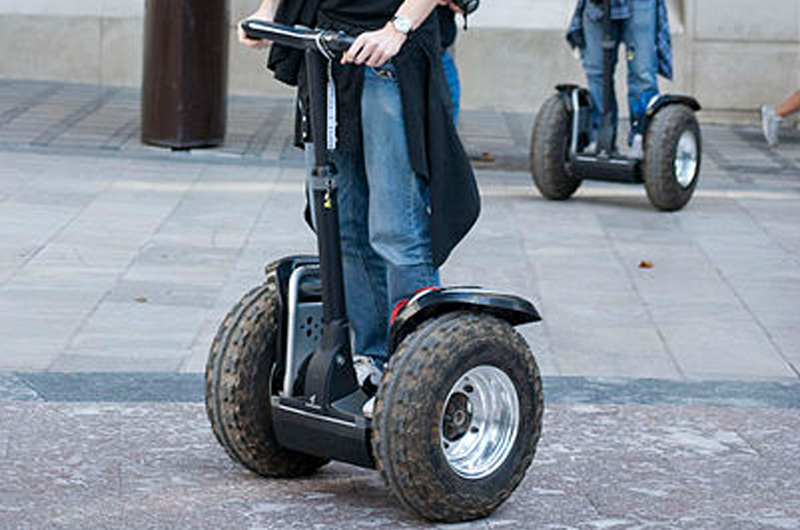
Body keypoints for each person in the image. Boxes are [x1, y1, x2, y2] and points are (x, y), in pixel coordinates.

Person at [238, 0, 480, 388]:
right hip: (328, 50)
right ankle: (371, 358)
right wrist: (268, 12)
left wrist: (398, 28)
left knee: (396, 228)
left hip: (388, 55)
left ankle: (418, 377)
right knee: (340, 224)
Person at [567, 0, 673, 156]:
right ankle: (600, 137)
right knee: (597, 72)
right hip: (596, 4)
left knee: (641, 72)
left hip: (639, 4)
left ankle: (641, 137)